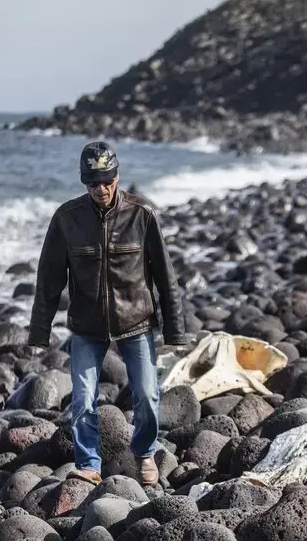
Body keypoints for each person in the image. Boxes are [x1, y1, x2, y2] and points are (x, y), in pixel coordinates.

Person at [26, 140, 187, 486]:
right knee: (83, 398)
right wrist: (38, 331)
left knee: (146, 392)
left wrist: (175, 329)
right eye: (93, 182)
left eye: (107, 181)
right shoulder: (67, 219)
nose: (101, 189)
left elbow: (165, 274)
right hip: (86, 326)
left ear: (117, 176)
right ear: (84, 181)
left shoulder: (141, 215)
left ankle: (145, 453)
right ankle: (89, 464)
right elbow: (49, 278)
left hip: (137, 321)